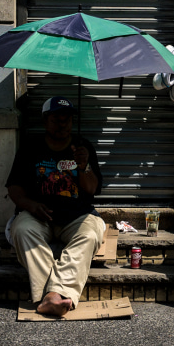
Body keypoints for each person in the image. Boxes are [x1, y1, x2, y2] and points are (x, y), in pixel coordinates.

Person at [6, 96, 105, 316]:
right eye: (56, 119)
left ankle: (49, 296)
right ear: (45, 121)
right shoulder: (30, 148)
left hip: (77, 216)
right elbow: (14, 189)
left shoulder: (83, 148)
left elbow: (91, 189)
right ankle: (56, 295)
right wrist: (30, 205)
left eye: (67, 119)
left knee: (90, 235)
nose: (62, 124)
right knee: (21, 230)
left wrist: (84, 165)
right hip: (38, 216)